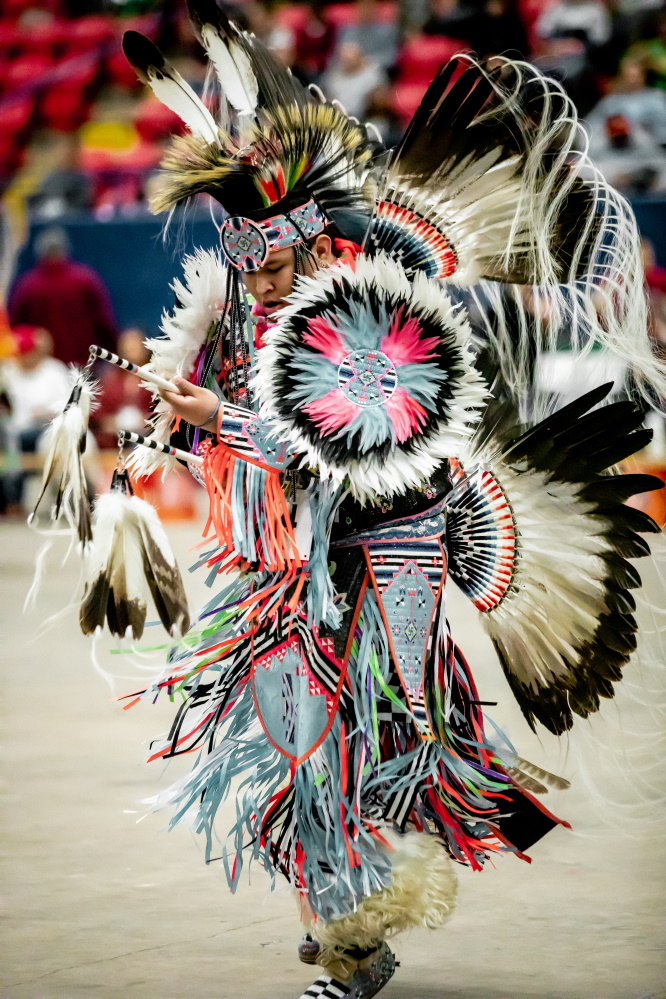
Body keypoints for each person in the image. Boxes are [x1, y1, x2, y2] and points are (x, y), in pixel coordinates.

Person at [78, 14, 665, 999]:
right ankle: (347, 919)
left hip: (394, 552)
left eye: (274, 267)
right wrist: (181, 428)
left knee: (374, 745)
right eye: (247, 270)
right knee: (293, 746)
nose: (261, 285)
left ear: (311, 245)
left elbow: (338, 449)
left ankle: (365, 921)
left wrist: (223, 417)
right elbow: (237, 443)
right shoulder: (243, 313)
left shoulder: (370, 316)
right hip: (285, 574)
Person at [8, 227, 118, 368]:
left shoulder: (27, 286)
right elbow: (104, 323)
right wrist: (112, 351)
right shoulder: (84, 279)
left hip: (43, 367)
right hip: (81, 364)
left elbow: (16, 328)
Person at [1, 325, 71, 508]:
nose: (24, 357)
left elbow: (69, 406)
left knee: (48, 443)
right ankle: (12, 501)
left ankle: (59, 497)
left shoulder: (54, 370)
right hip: (17, 431)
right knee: (9, 440)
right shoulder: (10, 372)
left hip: (47, 429)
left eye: (27, 353)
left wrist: (45, 411)